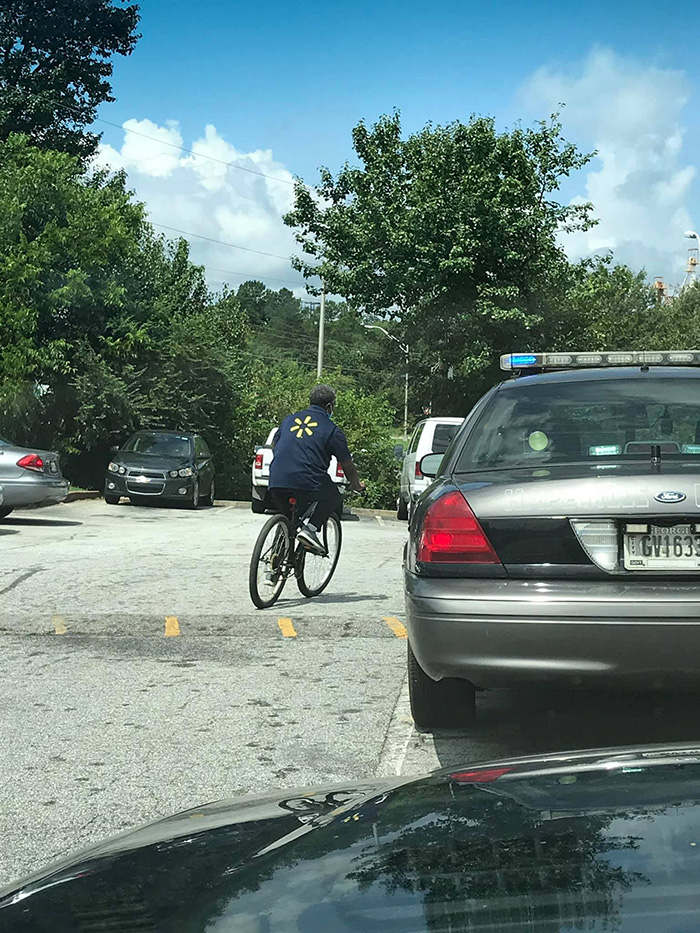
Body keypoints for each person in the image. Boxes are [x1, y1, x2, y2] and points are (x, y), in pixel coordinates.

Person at [268, 384, 364, 553]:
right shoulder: (332, 430)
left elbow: (274, 446)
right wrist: (356, 484)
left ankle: (275, 564)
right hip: (308, 483)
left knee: (288, 520)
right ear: (329, 406)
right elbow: (346, 464)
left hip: (277, 479)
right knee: (333, 495)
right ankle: (310, 530)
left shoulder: (289, 420)